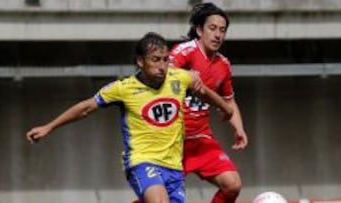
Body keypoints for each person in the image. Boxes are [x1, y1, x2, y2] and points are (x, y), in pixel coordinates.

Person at [26, 32, 233, 203]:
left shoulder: (178, 78)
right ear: (140, 61)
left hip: (174, 166)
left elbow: (203, 91)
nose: (162, 66)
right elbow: (86, 107)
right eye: (155, 60)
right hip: (142, 162)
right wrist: (49, 127)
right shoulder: (124, 88)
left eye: (165, 60)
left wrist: (226, 108)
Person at [169, 2, 249, 203]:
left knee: (232, 185)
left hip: (201, 139)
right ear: (199, 30)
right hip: (172, 141)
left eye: (222, 30)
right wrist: (184, 74)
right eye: (212, 28)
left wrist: (239, 129)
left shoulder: (223, 64)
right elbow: (162, 74)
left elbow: (229, 100)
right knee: (160, 199)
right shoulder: (184, 52)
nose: (217, 35)